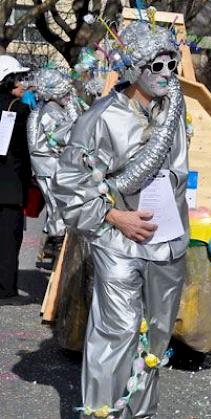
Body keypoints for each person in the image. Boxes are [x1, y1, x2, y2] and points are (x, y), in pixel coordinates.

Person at [52, 21, 189, 418]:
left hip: (166, 242)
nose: (166, 74)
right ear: (134, 68)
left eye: (171, 66)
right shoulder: (100, 117)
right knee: (116, 333)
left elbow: (179, 169)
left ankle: (140, 413)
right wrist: (114, 215)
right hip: (118, 243)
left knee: (156, 337)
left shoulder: (172, 114)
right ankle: (103, 414)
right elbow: (69, 182)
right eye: (157, 66)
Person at [27, 68, 85, 269]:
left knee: (57, 209)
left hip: (50, 167)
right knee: (59, 209)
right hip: (51, 168)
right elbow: (62, 138)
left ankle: (54, 249)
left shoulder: (49, 107)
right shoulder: (51, 110)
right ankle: (59, 255)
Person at [0, 55, 31, 299]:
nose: (24, 83)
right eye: (20, 78)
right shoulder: (20, 110)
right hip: (10, 186)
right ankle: (5, 289)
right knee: (9, 239)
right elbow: (26, 151)